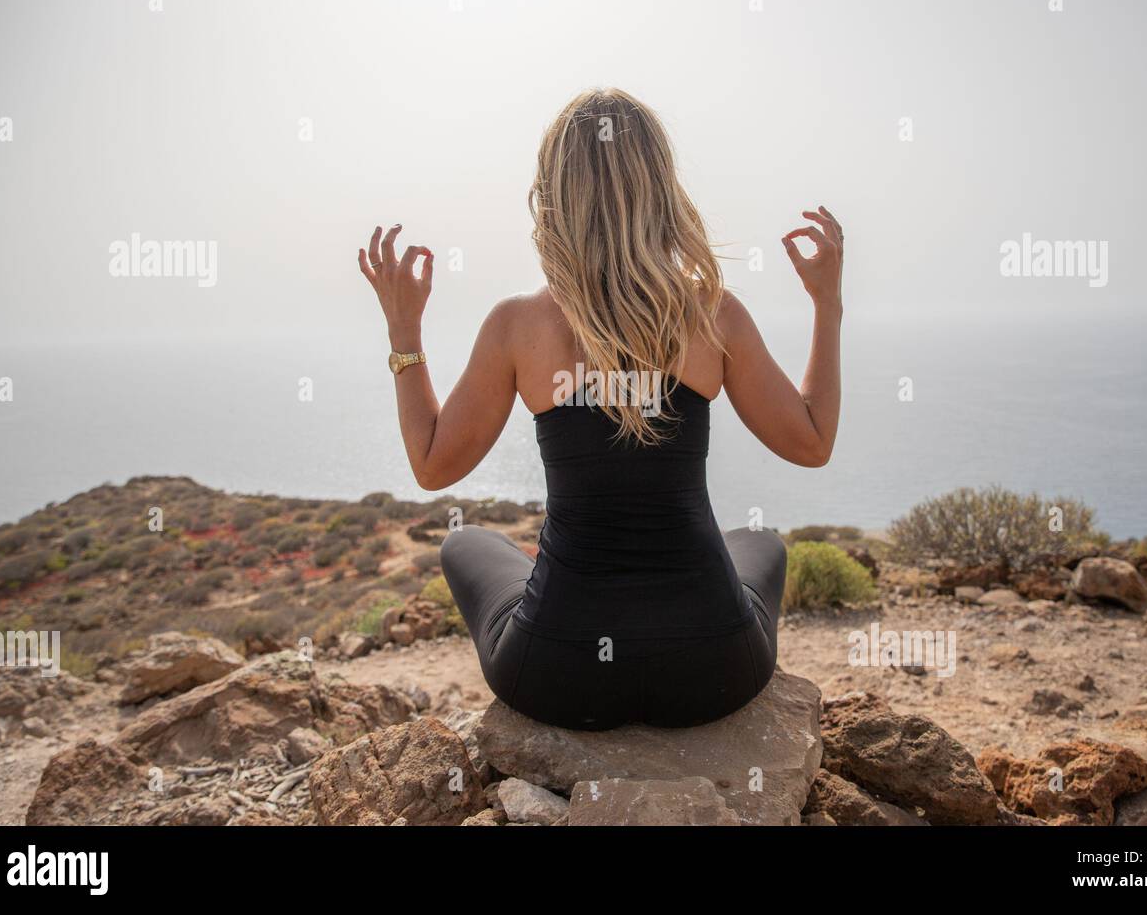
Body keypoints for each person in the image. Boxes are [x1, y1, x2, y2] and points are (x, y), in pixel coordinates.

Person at [356, 88, 844, 730]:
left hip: (558, 675)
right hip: (713, 671)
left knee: (466, 542)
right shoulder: (713, 314)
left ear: (553, 194)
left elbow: (431, 466)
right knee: (761, 544)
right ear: (660, 188)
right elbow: (811, 443)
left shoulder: (518, 325)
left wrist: (404, 333)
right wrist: (827, 305)